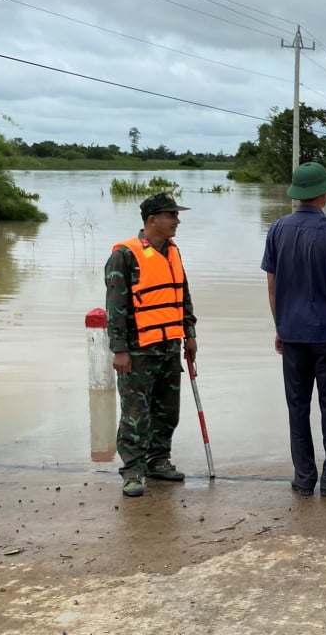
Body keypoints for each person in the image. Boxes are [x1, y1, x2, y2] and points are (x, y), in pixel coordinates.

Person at [262, 162, 326, 498]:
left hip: (292, 334)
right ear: (324, 194)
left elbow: (273, 286)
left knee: (297, 405)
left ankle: (304, 477)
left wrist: (280, 326)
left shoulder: (277, 229)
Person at [105, 192, 198, 498]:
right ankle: (132, 471)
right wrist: (119, 349)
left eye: (176, 215)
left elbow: (182, 294)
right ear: (152, 219)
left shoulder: (173, 251)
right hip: (137, 350)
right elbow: (115, 307)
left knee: (167, 410)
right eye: (171, 215)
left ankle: (159, 461)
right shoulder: (125, 256)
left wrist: (190, 333)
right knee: (135, 413)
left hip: (169, 346)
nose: (177, 221)